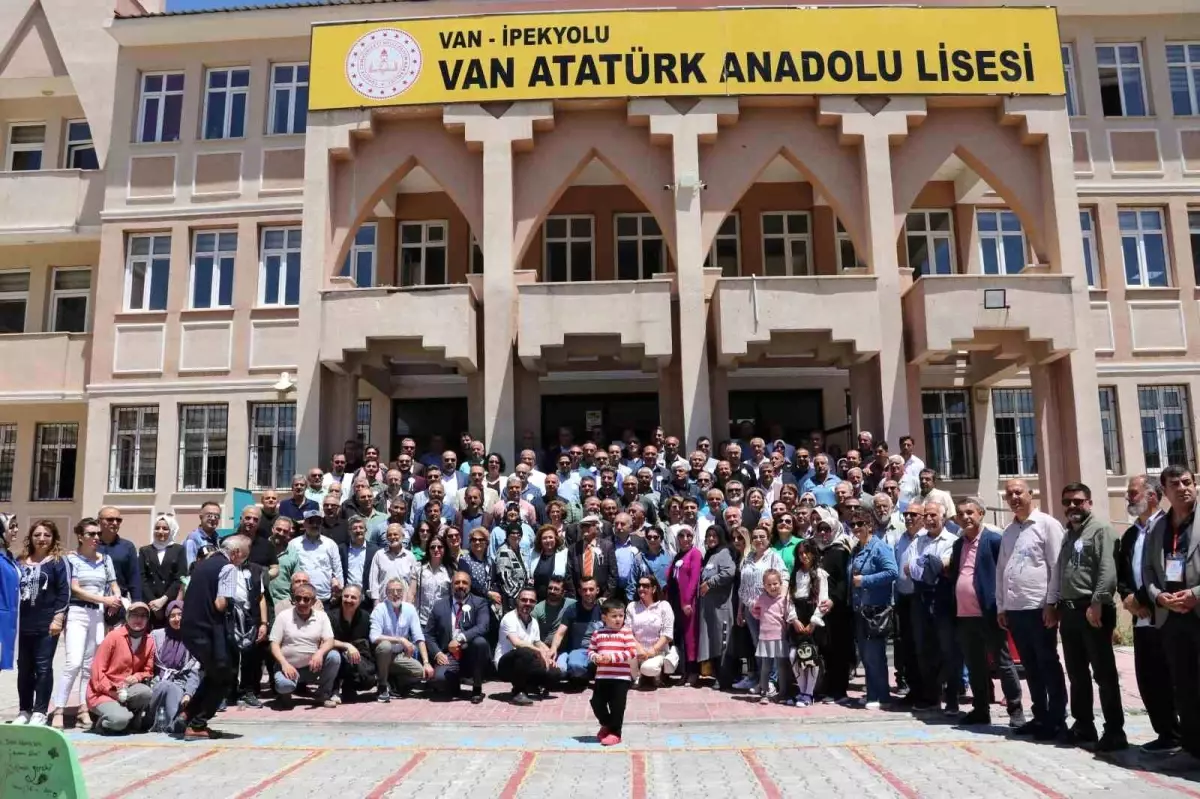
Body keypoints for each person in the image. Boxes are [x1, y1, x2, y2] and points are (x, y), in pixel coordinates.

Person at [1054, 482, 1125, 751]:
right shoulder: (1069, 534)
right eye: (1067, 502)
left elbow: (1107, 570)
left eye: (1078, 501)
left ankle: (1115, 730)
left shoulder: (1101, 530)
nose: (1072, 506)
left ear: (1089, 503)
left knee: (1103, 674)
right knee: (1076, 673)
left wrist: (1098, 601)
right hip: (1070, 611)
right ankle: (1084, 725)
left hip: (1093, 609)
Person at [996, 478, 1068, 741]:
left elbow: (1056, 566)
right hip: (1015, 609)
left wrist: (1052, 603)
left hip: (1039, 607)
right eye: (1009, 494)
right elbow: (1001, 570)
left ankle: (1057, 719)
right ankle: (1040, 716)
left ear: (1031, 493)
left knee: (1047, 662)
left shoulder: (1047, 525)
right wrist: (1002, 606)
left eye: (1018, 492)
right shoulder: (1009, 531)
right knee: (1030, 666)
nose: (1014, 498)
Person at [947, 498, 1024, 727]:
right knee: (975, 665)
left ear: (981, 514)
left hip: (989, 613)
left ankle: (1016, 710)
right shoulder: (958, 544)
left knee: (1002, 663)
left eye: (970, 512)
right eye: (961, 514)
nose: (965, 517)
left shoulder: (993, 541)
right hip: (964, 616)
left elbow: (1006, 573)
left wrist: (1004, 605)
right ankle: (981, 709)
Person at [1117, 474, 1179, 753]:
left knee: (1175, 677)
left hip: (1167, 614)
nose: (1128, 498)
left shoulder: (1169, 528)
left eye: (1133, 493)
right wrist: (1128, 598)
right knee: (1149, 677)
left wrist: (1143, 597)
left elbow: (1167, 572)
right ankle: (1165, 732)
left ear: (1152, 496)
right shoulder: (1130, 534)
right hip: (1141, 617)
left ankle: (1183, 735)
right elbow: (1123, 574)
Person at [1143, 465, 1200, 761]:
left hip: (1197, 610)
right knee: (1184, 685)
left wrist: (1194, 594)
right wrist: (1159, 597)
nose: (1183, 488)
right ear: (1164, 491)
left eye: (1188, 482)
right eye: (1175, 484)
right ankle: (1192, 748)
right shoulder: (1158, 527)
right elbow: (1148, 570)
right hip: (1171, 617)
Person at [53, 518, 121, 727]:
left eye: (97, 534)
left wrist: (116, 599)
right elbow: (75, 589)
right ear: (80, 537)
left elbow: (113, 585)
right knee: (73, 662)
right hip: (77, 612)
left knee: (88, 666)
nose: (95, 538)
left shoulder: (105, 559)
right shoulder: (72, 559)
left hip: (97, 615)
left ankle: (83, 709)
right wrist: (105, 599)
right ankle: (59, 709)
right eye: (91, 534)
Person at [177, 535, 244, 738]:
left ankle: (188, 714)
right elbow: (220, 604)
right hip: (208, 631)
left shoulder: (204, 564)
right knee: (225, 676)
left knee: (215, 673)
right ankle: (197, 725)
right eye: (243, 558)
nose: (241, 562)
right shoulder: (228, 567)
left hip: (191, 629)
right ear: (235, 554)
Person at [12, 519, 69, 726]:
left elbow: (65, 592)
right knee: (24, 667)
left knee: (43, 667)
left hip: (47, 623)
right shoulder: (20, 561)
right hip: (23, 624)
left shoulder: (58, 562)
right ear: (31, 537)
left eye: (46, 535)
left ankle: (40, 711)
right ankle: (24, 710)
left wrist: (58, 618)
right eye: (37, 535)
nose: (42, 539)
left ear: (53, 538)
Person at [848, 506, 897, 709]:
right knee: (866, 656)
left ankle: (881, 696)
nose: (856, 527)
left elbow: (892, 572)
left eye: (861, 524)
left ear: (870, 525)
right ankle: (872, 692)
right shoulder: (857, 548)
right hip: (860, 609)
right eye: (853, 524)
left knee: (875, 655)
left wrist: (865, 580)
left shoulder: (879, 547)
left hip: (876, 610)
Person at [87, 601, 155, 734]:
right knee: (119, 720)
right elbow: (97, 672)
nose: (138, 619)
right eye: (134, 615)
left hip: (126, 691)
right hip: (102, 693)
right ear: (127, 617)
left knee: (145, 692)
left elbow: (148, 671)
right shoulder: (114, 636)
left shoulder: (149, 641)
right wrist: (113, 692)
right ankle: (103, 721)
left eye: (143, 616)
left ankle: (127, 719)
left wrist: (137, 676)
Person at [424, 570, 491, 703]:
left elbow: (483, 626)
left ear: (470, 586)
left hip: (471, 653)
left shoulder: (480, 603)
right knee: (439, 679)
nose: (461, 585)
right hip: (449, 655)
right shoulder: (439, 605)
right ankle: (453, 685)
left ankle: (477, 688)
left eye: (464, 582)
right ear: (451, 586)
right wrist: (437, 653)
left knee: (480, 642)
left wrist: (460, 638)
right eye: (457, 582)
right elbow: (428, 634)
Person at [735, 527, 787, 692]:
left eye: (762, 536)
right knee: (759, 646)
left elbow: (784, 577)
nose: (758, 539)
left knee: (771, 645)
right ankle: (761, 680)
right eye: (755, 536)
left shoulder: (774, 556)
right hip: (751, 609)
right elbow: (743, 586)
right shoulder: (748, 557)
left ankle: (772, 681)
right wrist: (740, 610)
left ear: (768, 538)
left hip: (769, 610)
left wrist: (781, 602)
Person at [271, 582, 340, 708]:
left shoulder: (322, 616)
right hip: (288, 668)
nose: (301, 602)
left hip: (313, 668)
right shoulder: (283, 616)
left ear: (313, 601)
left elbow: (329, 640)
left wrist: (319, 653)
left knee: (334, 656)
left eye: (306, 599)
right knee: (284, 686)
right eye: (297, 598)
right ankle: (284, 695)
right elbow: (274, 644)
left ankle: (323, 695)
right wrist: (284, 664)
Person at [369, 578, 433, 702]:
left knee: (420, 672)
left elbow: (419, 637)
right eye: (391, 591)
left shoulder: (410, 609)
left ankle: (393, 680)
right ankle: (382, 685)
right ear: (386, 593)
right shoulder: (379, 609)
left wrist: (426, 662)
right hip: (380, 655)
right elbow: (374, 637)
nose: (396, 594)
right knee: (385, 646)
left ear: (403, 593)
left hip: (398, 656)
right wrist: (401, 640)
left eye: (399, 591)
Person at [588, 597, 639, 746]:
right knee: (596, 702)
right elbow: (591, 651)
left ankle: (616, 733)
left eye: (621, 615)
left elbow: (631, 652)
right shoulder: (598, 633)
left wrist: (611, 658)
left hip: (621, 678)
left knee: (617, 706)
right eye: (614, 616)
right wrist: (596, 658)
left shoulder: (626, 633)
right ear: (604, 617)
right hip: (602, 676)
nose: (618, 619)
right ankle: (607, 724)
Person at [496, 586, 559, 705]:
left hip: (525, 663)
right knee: (524, 651)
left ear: (535, 603)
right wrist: (538, 651)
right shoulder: (508, 618)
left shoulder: (533, 621)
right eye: (524, 600)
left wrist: (549, 655)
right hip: (505, 665)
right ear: (517, 601)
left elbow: (538, 642)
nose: (527, 603)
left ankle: (531, 686)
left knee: (555, 673)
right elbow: (516, 642)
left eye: (531, 601)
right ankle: (518, 692)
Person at [148, 601, 201, 732]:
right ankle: (150, 721)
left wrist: (188, 693)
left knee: (172, 688)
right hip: (156, 682)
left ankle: (173, 725)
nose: (176, 619)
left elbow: (195, 671)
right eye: (172, 616)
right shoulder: (156, 635)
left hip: (180, 683)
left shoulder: (193, 639)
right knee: (164, 686)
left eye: (180, 615)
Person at [788, 540, 827, 706]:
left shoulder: (819, 574)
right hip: (798, 617)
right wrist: (794, 618)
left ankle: (808, 693)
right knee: (794, 655)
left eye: (807, 552)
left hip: (812, 619)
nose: (804, 556)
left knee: (810, 656)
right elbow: (789, 599)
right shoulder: (795, 573)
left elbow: (823, 600)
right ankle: (802, 691)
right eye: (800, 553)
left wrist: (813, 621)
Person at [697, 527, 736, 689]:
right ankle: (715, 675)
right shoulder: (709, 555)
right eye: (708, 536)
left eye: (714, 535)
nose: (711, 538)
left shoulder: (724, 553)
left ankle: (725, 679)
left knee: (723, 643)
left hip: (722, 608)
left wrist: (711, 583)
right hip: (709, 609)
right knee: (712, 642)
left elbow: (729, 572)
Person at [750, 569, 795, 704]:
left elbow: (789, 615)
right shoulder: (761, 599)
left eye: (775, 584)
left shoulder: (784, 599)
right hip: (765, 637)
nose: (772, 587)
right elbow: (755, 611)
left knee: (781, 666)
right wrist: (759, 615)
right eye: (769, 585)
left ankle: (782, 692)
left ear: (780, 583)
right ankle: (764, 693)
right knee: (766, 667)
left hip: (780, 637)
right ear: (764, 586)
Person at [625, 574, 676, 689]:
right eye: (639, 585)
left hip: (657, 651)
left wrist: (652, 651)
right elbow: (628, 632)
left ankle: (655, 674)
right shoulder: (632, 607)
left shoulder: (664, 606)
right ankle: (637, 677)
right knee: (624, 654)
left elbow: (667, 634)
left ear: (653, 589)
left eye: (645, 586)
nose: (641, 588)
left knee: (648, 668)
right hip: (637, 651)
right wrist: (639, 649)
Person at [288, 509, 343, 611]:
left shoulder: (330, 544)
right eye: (311, 521)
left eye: (318, 521)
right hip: (301, 600)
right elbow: (290, 570)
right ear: (304, 524)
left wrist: (338, 594)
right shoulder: (294, 544)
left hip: (325, 600)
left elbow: (337, 570)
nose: (314, 525)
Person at [552, 577, 603, 684]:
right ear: (579, 591)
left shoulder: (604, 608)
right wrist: (553, 648)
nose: (588, 593)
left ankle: (585, 673)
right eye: (584, 590)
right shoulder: (572, 609)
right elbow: (560, 633)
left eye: (591, 589)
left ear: (597, 590)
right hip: (577, 651)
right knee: (561, 671)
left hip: (598, 651)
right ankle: (587, 672)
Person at [329, 584, 375, 703]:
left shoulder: (365, 617)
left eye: (353, 597)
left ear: (360, 600)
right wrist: (347, 646)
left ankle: (349, 687)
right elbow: (325, 640)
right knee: (335, 655)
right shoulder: (331, 615)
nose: (349, 600)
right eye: (346, 596)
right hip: (336, 653)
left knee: (368, 680)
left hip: (357, 656)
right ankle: (334, 689)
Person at [139, 513, 185, 625]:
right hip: (150, 604)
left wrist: (163, 600)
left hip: (171, 604)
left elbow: (180, 578)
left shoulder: (179, 550)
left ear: (171, 530)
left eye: (165, 528)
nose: (160, 531)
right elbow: (141, 577)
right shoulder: (145, 550)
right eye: (157, 528)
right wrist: (153, 603)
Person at [97, 506, 143, 607]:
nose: (115, 523)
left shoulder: (128, 547)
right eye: (110, 519)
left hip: (118, 603)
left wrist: (136, 603)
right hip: (94, 601)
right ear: (98, 522)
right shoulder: (91, 544)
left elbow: (134, 577)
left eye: (118, 520)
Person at [370, 523, 418, 606]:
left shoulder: (410, 556)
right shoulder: (379, 555)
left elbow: (413, 583)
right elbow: (373, 582)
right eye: (389, 535)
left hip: (404, 604)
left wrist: (409, 604)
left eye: (395, 534)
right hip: (383, 604)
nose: (392, 537)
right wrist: (376, 604)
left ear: (402, 536)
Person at [410, 535, 454, 627]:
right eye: (432, 547)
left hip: (442, 620)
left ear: (445, 549)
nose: (436, 549)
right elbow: (411, 593)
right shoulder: (419, 568)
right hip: (421, 620)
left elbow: (453, 596)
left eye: (440, 547)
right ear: (428, 549)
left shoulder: (450, 570)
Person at [572, 515, 617, 600]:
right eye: (582, 526)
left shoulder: (607, 546)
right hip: (580, 596)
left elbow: (613, 574)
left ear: (597, 528)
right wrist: (574, 596)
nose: (584, 529)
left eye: (588, 526)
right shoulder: (574, 548)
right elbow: (569, 574)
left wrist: (606, 596)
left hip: (602, 596)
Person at [339, 517, 378, 610]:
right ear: (349, 531)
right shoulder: (342, 549)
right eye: (354, 528)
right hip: (347, 598)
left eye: (361, 527)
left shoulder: (375, 550)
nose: (358, 530)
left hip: (367, 599)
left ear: (366, 530)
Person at [492, 524, 530, 616]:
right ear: (507, 535)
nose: (516, 535)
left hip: (521, 595)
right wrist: (518, 596)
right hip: (510, 599)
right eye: (513, 533)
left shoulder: (520, 550)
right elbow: (504, 578)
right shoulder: (504, 551)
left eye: (519, 534)